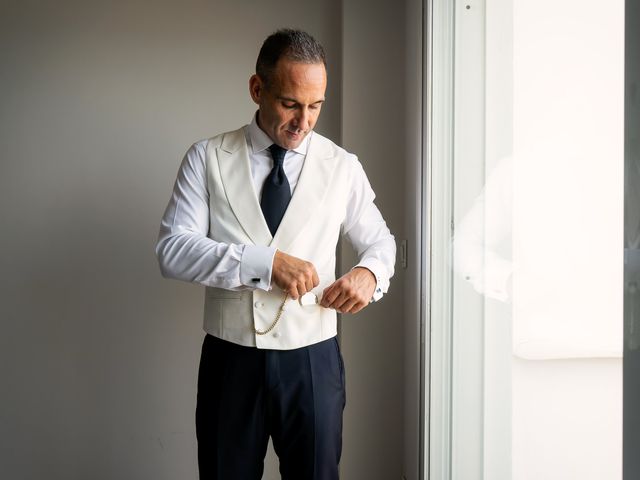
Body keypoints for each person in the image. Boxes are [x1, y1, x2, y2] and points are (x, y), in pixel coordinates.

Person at [155, 28, 395, 480]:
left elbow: (381, 242)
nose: (303, 122)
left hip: (313, 360)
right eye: (290, 103)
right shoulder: (206, 157)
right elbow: (172, 250)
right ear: (257, 89)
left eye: (316, 106)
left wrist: (369, 273)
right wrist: (265, 263)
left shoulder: (342, 166)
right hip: (231, 361)